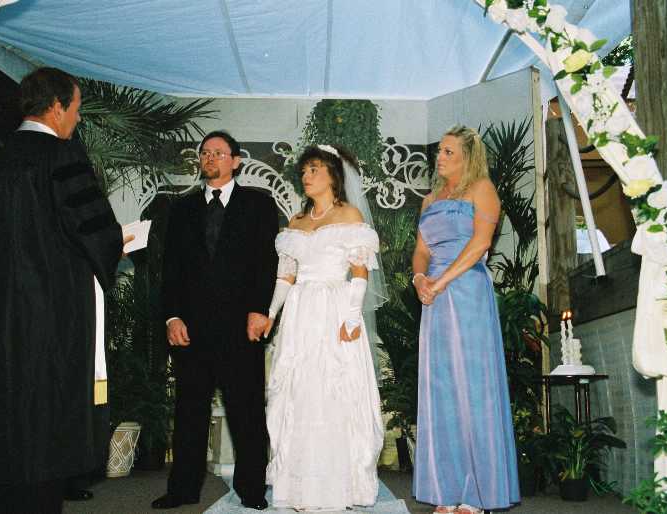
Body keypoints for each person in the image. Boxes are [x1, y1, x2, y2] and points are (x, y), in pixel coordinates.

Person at [0, 67, 126, 514]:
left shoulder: (2, 160)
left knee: (12, 419)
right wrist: (117, 242)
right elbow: (96, 233)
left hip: (4, 314)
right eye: (76, 109)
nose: (77, 119)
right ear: (57, 107)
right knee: (47, 421)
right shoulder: (61, 155)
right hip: (51, 314)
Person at [154, 130, 278, 510]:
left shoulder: (259, 204)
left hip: (242, 328)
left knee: (247, 411)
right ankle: (182, 489)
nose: (209, 158)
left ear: (235, 161)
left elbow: (267, 263)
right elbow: (170, 269)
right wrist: (172, 316)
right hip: (191, 329)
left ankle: (252, 489)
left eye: (218, 153)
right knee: (189, 412)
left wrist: (260, 310)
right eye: (205, 152)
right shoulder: (181, 208)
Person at [263, 144, 385, 511]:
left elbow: (359, 273)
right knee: (298, 393)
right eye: (304, 171)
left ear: (333, 174)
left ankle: (337, 488)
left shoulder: (349, 216)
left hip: (334, 309)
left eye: (314, 169)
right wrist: (271, 314)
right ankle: (298, 487)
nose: (306, 176)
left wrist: (352, 317)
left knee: (332, 392)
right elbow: (285, 277)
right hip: (300, 314)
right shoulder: (296, 222)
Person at [411, 126, 520, 514]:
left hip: (467, 292)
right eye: (439, 151)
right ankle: (446, 490)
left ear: (468, 157)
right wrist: (420, 279)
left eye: (448, 152)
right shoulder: (429, 200)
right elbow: (421, 250)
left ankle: (476, 494)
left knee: (472, 388)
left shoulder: (482, 189)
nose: (439, 157)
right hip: (434, 298)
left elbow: (480, 244)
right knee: (440, 390)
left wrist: (441, 281)